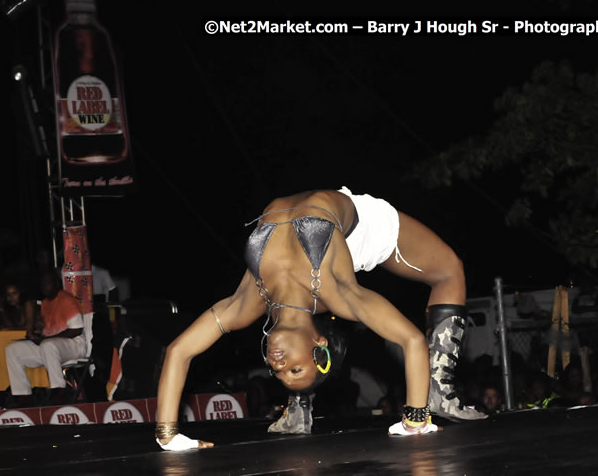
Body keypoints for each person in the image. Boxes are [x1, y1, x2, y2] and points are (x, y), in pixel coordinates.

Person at [155, 188, 486, 451]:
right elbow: (411, 340)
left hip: (319, 240)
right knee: (449, 271)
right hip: (359, 228)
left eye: (278, 372)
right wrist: (416, 417)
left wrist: (168, 434)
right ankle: (437, 390)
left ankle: (298, 406)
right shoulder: (341, 294)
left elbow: (178, 351)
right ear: (319, 343)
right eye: (294, 369)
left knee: (309, 311)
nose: (278, 364)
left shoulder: (248, 303)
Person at [5, 271, 86, 407]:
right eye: (42, 284)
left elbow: (77, 329)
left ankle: (59, 391)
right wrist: (36, 336)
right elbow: (49, 330)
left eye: (47, 283)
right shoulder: (46, 303)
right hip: (51, 347)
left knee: (48, 345)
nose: (44, 287)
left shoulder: (66, 300)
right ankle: (23, 396)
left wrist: (45, 340)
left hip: (75, 345)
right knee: (13, 349)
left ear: (56, 284)